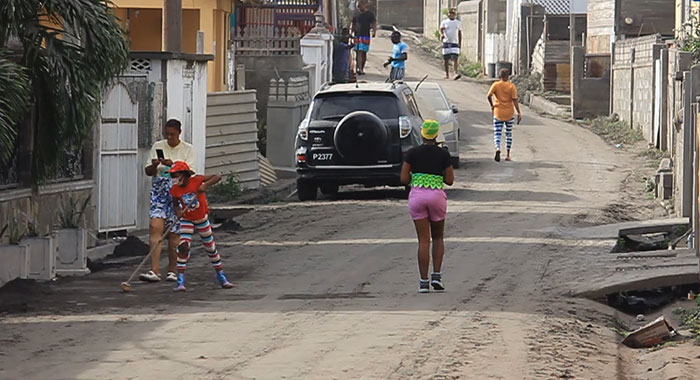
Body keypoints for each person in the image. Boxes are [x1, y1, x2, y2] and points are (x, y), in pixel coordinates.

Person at [400, 120, 455, 293]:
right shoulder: (443, 155)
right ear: (436, 135)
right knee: (438, 237)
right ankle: (436, 276)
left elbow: (403, 179)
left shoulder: (412, 153)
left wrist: (416, 179)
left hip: (417, 197)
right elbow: (450, 180)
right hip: (436, 197)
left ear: (422, 134)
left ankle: (423, 282)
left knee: (424, 241)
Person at [141, 119, 196, 283]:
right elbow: (149, 171)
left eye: (173, 134)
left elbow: (191, 172)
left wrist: (174, 165)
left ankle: (172, 270)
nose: (170, 137)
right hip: (159, 192)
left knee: (174, 232)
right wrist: (155, 165)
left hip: (178, 193)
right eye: (167, 134)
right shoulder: (158, 146)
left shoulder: (188, 149)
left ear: (179, 133)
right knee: (155, 227)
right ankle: (155, 270)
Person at [168, 161, 234, 292]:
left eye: (177, 175)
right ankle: (180, 280)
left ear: (185, 174)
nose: (174, 178)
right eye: (173, 175)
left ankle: (221, 276)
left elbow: (217, 176)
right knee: (183, 247)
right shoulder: (175, 189)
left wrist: (205, 185)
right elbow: (175, 204)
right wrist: (178, 212)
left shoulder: (197, 180)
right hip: (187, 219)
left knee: (210, 247)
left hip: (201, 218)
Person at [487, 69, 522, 162]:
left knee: (497, 133)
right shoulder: (511, 86)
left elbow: (488, 95)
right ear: (508, 76)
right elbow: (515, 100)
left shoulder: (496, 85)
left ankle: (497, 148)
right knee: (508, 134)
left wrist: (492, 105)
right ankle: (508, 154)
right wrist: (519, 112)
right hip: (509, 113)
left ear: (499, 76)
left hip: (498, 111)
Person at [351, 0, 376, 75]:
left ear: (363, 5)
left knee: (364, 52)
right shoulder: (356, 14)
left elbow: (374, 22)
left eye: (359, 6)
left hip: (366, 35)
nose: (358, 8)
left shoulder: (370, 14)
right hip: (357, 35)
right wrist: (351, 32)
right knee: (359, 51)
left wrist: (374, 31)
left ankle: (361, 67)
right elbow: (353, 24)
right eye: (357, 7)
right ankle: (359, 69)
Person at [440, 8, 462, 80]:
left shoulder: (457, 22)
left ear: (455, 15)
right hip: (446, 42)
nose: (451, 15)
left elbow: (459, 33)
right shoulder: (444, 22)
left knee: (455, 58)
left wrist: (459, 43)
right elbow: (441, 29)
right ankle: (447, 74)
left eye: (453, 14)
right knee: (446, 59)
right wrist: (442, 34)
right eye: (450, 13)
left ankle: (455, 73)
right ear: (448, 14)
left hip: (454, 43)